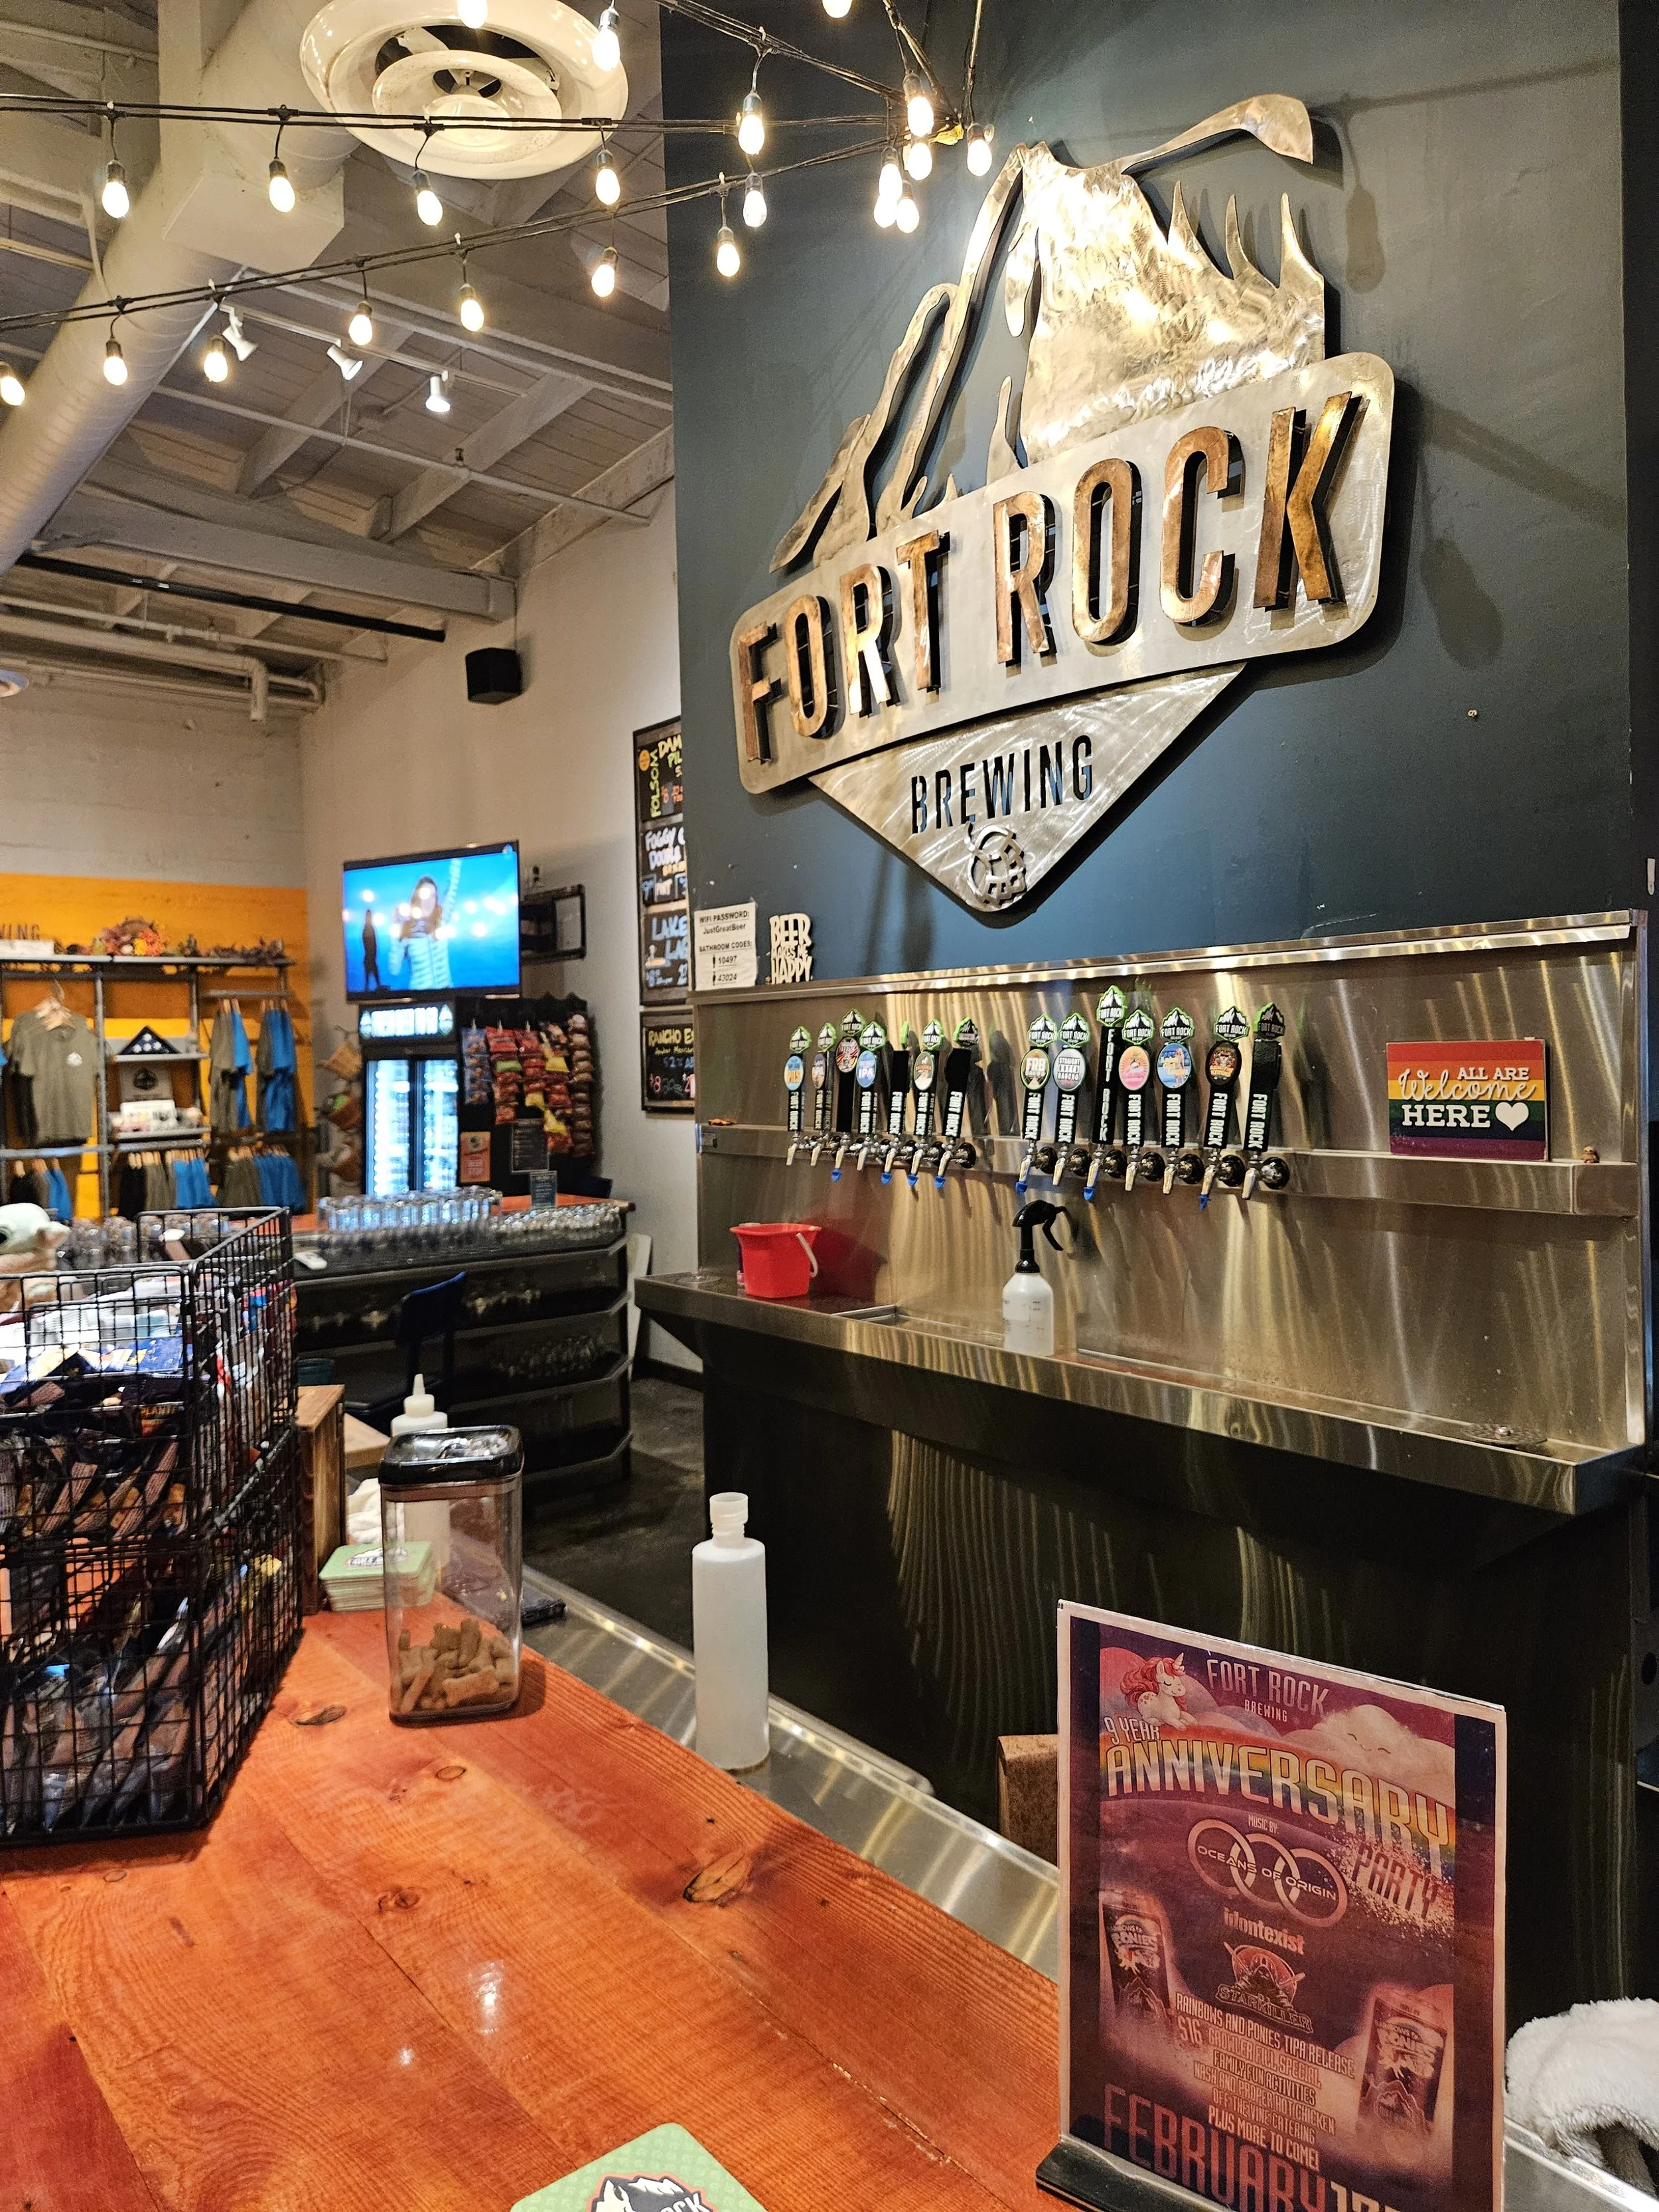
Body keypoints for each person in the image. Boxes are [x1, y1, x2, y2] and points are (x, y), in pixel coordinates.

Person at [392, 857, 463, 993]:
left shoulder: (441, 921)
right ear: (417, 897)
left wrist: (458, 857)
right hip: (419, 1000)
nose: (429, 901)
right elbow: (394, 970)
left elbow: (452, 886)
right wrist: (396, 931)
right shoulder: (407, 929)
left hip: (446, 996)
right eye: (425, 896)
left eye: (433, 896)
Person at [362, 905, 382, 992]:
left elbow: (373, 943)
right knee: (371, 971)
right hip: (370, 955)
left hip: (371, 955)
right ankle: (370, 988)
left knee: (371, 972)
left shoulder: (369, 928)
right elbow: (369, 943)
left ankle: (371, 988)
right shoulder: (368, 928)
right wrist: (371, 954)